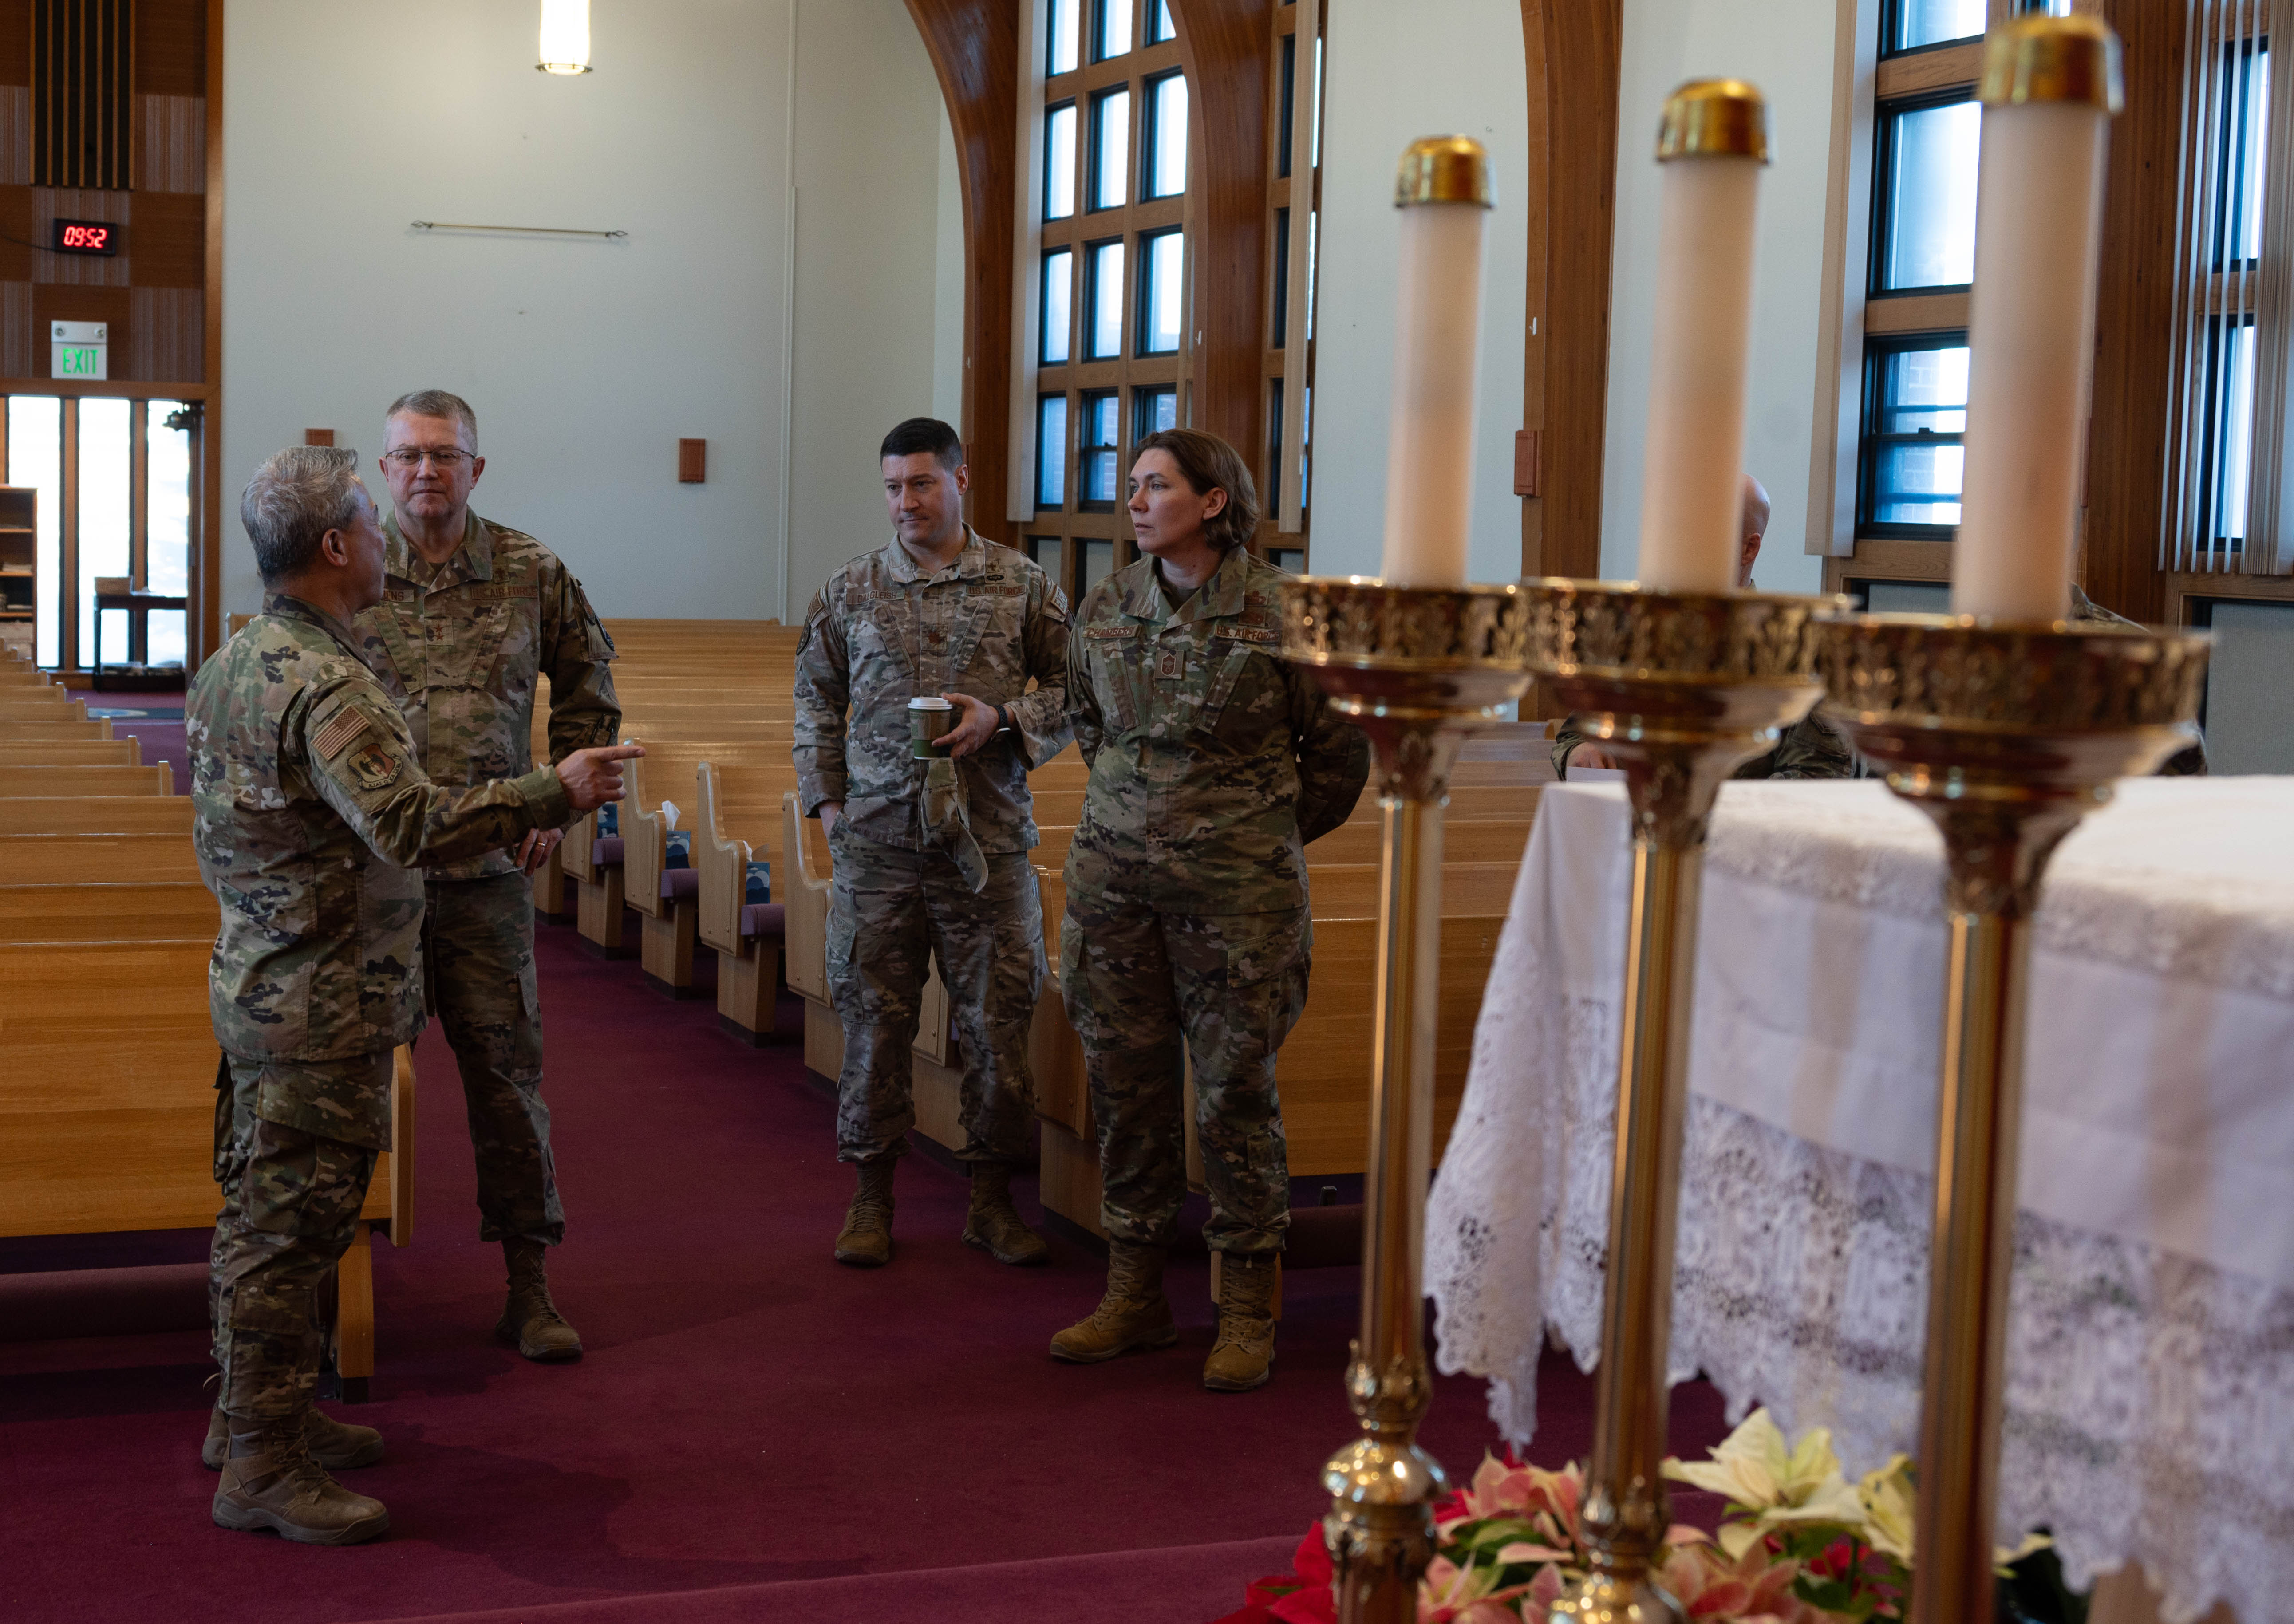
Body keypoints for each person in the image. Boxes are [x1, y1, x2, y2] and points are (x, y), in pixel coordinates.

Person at [191, 445, 639, 1545]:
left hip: (268, 978)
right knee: (290, 1230)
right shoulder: (328, 682)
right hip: (323, 995)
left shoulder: (238, 659)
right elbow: (411, 825)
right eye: (367, 521)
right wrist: (551, 789)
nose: (384, 539)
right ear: (334, 546)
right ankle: (261, 1462)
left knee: (266, 1214)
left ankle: (256, 1418)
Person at [1050, 428, 1368, 1393]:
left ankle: (1243, 1306)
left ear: (1214, 500)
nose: (1135, 503)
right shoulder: (1107, 605)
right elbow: (1091, 725)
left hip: (1239, 905)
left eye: (1155, 486)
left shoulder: (1288, 613)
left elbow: (1339, 760)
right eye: (1131, 486)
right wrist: (1149, 823)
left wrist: (1245, 836)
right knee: (1126, 1088)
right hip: (1113, 894)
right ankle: (1134, 1293)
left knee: (1233, 1093)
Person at [350, 390, 621, 1362]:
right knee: (350, 1089)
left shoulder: (528, 570)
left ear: (476, 467)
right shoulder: (348, 570)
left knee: (507, 1086)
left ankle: (529, 1286)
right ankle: (333, 1288)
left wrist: (559, 802)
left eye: (445, 454)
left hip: (485, 881)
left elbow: (591, 686)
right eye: (409, 455)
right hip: (372, 883)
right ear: (384, 468)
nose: (427, 471)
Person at [793, 417, 1074, 1268]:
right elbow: (814, 700)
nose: (905, 502)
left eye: (920, 483)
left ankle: (990, 1201)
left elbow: (1078, 691)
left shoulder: (1021, 584)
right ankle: (871, 1196)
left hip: (984, 847)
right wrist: (828, 806)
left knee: (997, 1028)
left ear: (960, 480)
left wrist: (1005, 718)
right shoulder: (850, 589)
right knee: (874, 1026)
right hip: (877, 847)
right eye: (892, 488)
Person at [1553, 474, 1858, 781]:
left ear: (1748, 548)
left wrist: (1709, 804)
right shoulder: (1640, 634)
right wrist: (1580, 751)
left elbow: (1815, 779)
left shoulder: (1798, 653)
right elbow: (1576, 733)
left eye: (1698, 533)